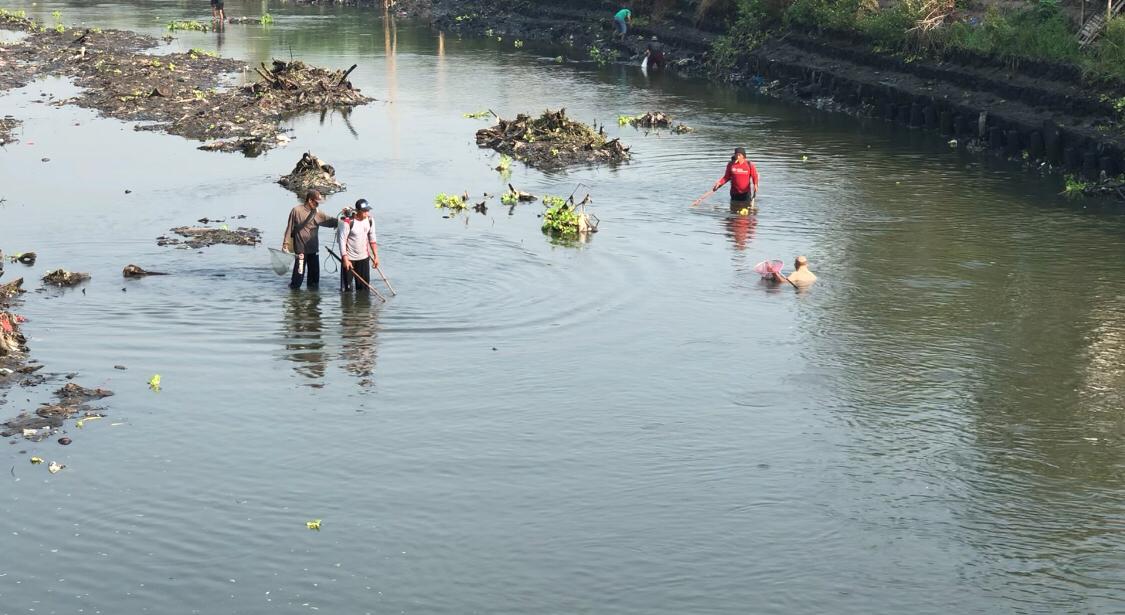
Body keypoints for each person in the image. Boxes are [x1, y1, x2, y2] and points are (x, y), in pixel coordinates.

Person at [282, 189, 338, 290]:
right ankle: (295, 300)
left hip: (313, 250)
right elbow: (289, 227)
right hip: (301, 250)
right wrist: (285, 244)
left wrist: (345, 221)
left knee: (314, 280)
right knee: (298, 277)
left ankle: (313, 301)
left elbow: (330, 221)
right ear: (310, 200)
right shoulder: (296, 210)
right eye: (316, 202)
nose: (318, 205)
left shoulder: (318, 213)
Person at [336, 199, 379, 293]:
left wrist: (376, 256)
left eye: (368, 210)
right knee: (346, 290)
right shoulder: (348, 222)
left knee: (363, 289)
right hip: (349, 259)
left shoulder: (370, 220)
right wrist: (345, 259)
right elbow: (342, 241)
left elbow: (372, 239)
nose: (367, 213)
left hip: (363, 258)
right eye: (364, 211)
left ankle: (363, 307)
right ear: (358, 211)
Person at [712, 147, 759, 212]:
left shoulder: (749, 165)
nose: (738, 156)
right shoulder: (731, 164)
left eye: (739, 155)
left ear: (743, 156)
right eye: (736, 154)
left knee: (746, 213)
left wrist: (755, 184)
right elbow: (726, 177)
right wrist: (719, 183)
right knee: (734, 212)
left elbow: (754, 176)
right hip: (734, 193)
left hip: (746, 193)